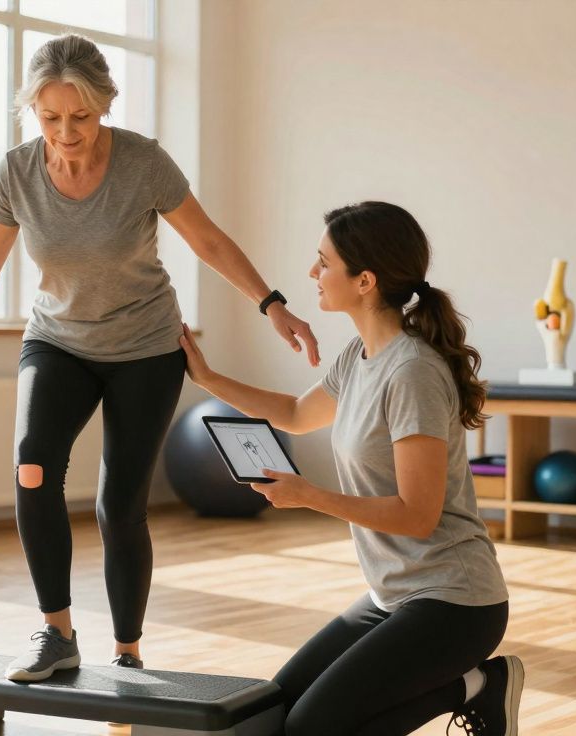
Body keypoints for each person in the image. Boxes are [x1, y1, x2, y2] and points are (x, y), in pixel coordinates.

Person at [0, 34, 320, 682]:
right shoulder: (17, 173)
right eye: (50, 116)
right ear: (33, 111)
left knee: (120, 504)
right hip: (58, 340)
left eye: (80, 117)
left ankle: (128, 651)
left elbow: (206, 240)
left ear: (104, 107)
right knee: (32, 468)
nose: (65, 132)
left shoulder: (142, 164)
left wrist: (272, 303)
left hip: (146, 346)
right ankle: (56, 633)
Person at [179, 201, 522, 735]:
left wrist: (308, 495)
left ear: (365, 281)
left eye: (323, 263)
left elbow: (417, 516)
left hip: (453, 601)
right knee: (273, 707)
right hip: (392, 596)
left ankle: (476, 685)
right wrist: (207, 378)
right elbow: (294, 414)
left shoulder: (411, 374)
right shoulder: (358, 357)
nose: (312, 274)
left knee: (310, 730)